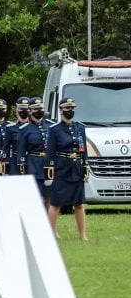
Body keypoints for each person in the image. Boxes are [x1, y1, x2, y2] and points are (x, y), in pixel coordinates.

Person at [45, 97, 88, 241]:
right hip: (62, 168)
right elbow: (50, 151)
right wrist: (50, 169)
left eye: (72, 108)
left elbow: (83, 149)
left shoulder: (80, 128)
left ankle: (83, 235)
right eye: (67, 108)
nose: (70, 110)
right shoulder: (55, 129)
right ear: (61, 110)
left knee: (79, 203)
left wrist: (85, 164)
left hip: (76, 167)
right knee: (56, 203)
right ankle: (51, 233)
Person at [14, 96, 52, 209]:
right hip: (33, 164)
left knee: (49, 196)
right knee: (36, 196)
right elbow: (21, 152)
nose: (39, 111)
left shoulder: (50, 126)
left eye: (40, 108)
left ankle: (49, 223)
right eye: (35, 109)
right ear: (30, 111)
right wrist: (23, 169)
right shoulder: (25, 129)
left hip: (48, 164)